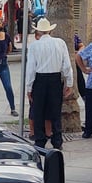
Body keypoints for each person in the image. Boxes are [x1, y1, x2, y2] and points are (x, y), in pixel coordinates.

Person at [25, 17, 73, 150]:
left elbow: (31, 69)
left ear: (38, 32)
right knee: (55, 111)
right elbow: (67, 65)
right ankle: (57, 141)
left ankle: (40, 140)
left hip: (40, 80)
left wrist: (29, 87)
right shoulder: (60, 43)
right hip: (55, 79)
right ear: (50, 31)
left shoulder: (34, 46)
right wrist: (69, 82)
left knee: (38, 111)